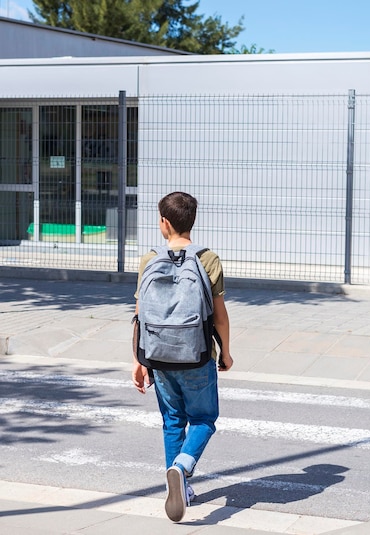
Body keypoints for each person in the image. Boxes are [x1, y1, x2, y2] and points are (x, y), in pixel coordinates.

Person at [132, 191, 233, 523]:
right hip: (197, 355)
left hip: (158, 355)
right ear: (192, 220)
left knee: (172, 420)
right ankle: (183, 466)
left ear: (164, 222)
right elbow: (219, 316)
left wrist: (138, 359)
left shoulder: (149, 259)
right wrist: (227, 353)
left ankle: (181, 487)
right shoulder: (208, 259)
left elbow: (140, 314)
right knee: (204, 420)